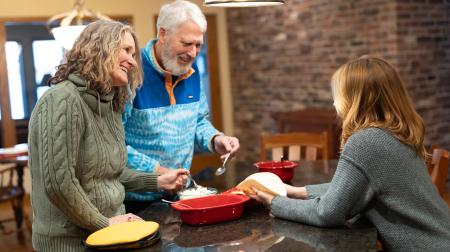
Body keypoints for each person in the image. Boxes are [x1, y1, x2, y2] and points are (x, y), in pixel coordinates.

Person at [250, 56, 450, 251]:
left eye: (338, 95)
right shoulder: (394, 134)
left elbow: (327, 213)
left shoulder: (366, 142)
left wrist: (275, 203)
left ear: (356, 99)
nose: (335, 104)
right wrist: (298, 191)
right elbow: (352, 188)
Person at [28, 20, 188, 252]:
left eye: (134, 53)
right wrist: (105, 224)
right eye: (126, 50)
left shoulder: (112, 102)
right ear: (99, 48)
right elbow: (59, 183)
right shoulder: (62, 99)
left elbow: (111, 172)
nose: (133, 61)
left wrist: (157, 182)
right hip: (72, 242)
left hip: (112, 234)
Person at [123, 0, 239, 212]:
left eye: (198, 45)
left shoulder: (191, 72)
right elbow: (113, 146)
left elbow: (198, 122)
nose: (193, 53)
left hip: (179, 196)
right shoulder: (130, 73)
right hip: (134, 201)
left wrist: (215, 139)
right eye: (186, 43)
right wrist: (158, 171)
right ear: (163, 34)